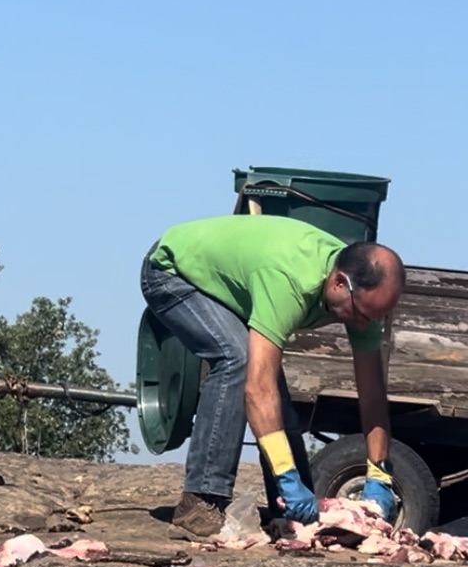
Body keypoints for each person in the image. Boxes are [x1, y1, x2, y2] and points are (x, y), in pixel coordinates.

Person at [141, 214, 405, 539]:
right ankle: (200, 501)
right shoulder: (290, 279)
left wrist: (379, 473)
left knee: (275, 399)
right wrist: (288, 478)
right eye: (362, 315)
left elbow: (373, 395)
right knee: (236, 360)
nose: (363, 326)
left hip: (231, 287)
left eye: (375, 318)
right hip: (172, 272)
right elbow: (257, 389)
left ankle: (292, 516)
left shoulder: (362, 301)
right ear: (338, 283)